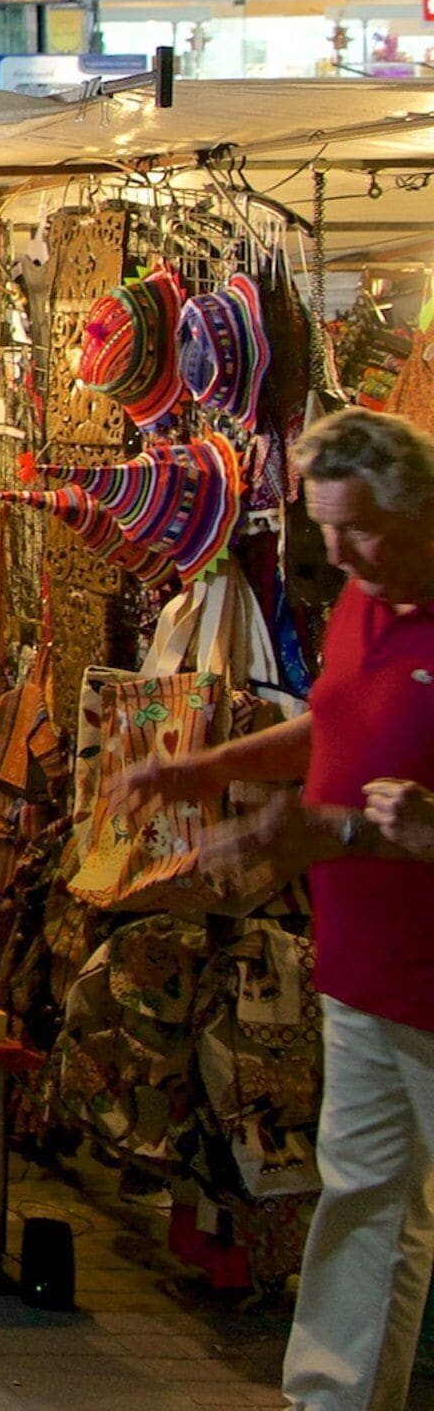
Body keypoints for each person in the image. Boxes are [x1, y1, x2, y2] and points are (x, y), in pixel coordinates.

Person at [116, 407, 434, 1411]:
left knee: (387, 1204)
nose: (339, 553)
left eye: (363, 529)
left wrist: (367, 832)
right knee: (366, 1204)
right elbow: (328, 735)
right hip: (363, 969)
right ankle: (333, 1401)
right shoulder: (361, 603)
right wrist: (203, 769)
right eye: (327, 529)